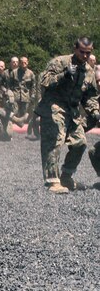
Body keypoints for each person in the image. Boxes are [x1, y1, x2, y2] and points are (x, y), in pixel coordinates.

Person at [36, 37, 99, 193]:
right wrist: (63, 75)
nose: (85, 56)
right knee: (54, 142)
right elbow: (43, 81)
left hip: (72, 112)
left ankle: (66, 177)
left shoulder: (89, 71)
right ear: (75, 49)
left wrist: (95, 112)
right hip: (54, 107)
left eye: (88, 53)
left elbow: (89, 97)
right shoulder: (60, 62)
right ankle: (53, 181)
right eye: (82, 52)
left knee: (80, 143)